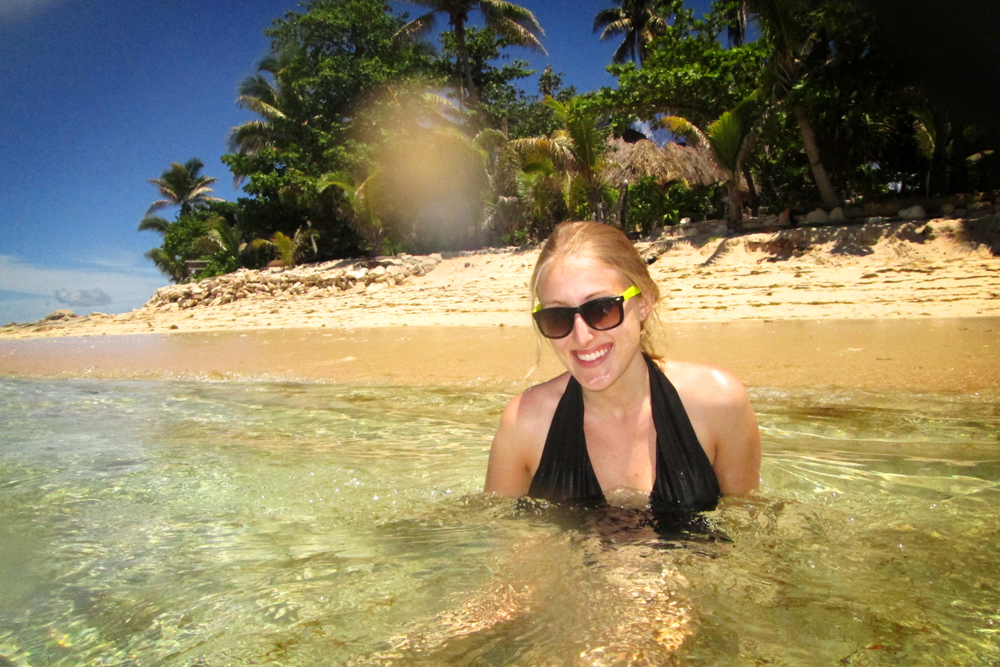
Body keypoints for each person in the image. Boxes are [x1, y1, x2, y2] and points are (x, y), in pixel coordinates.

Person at [485, 221, 760, 513]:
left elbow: (746, 530)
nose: (582, 337)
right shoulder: (524, 424)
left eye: (601, 309)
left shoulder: (717, 402)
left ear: (644, 301)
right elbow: (501, 543)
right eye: (558, 317)